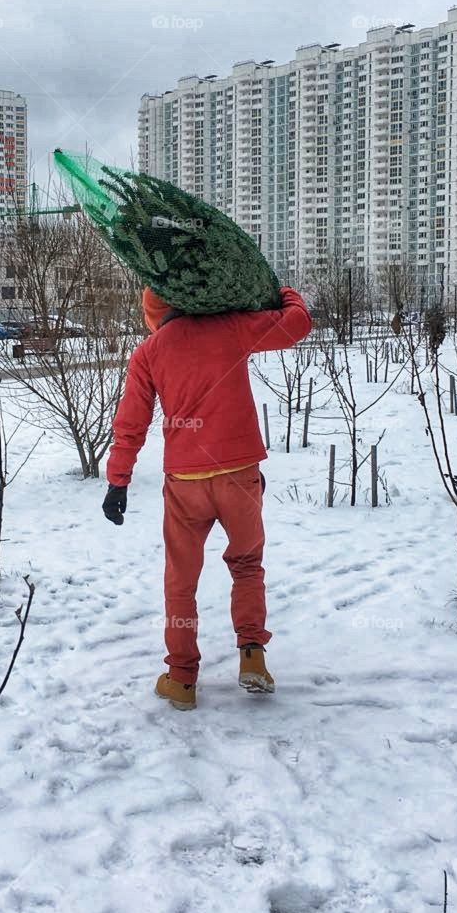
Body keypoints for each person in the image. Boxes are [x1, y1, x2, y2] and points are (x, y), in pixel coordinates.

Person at [102, 285, 312, 710]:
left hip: (185, 480)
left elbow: (131, 423)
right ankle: (252, 656)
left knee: (181, 579)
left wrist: (117, 481)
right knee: (247, 564)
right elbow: (296, 327)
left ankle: (181, 679)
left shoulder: (148, 353)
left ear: (153, 313)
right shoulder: (229, 327)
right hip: (239, 475)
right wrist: (279, 291)